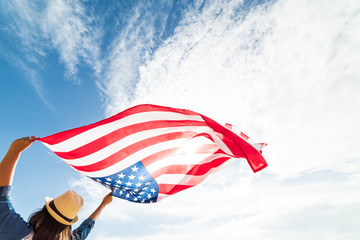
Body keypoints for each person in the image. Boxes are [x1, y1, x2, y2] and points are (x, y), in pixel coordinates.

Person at [0, 136, 113, 240]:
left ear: (41, 214)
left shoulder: (17, 232)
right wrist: (103, 205)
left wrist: (14, 152)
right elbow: (86, 227)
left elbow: (1, 195)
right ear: (67, 226)